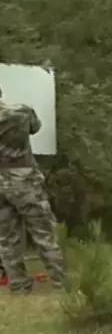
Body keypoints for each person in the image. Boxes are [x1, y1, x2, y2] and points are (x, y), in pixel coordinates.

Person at [0, 82, 66, 293]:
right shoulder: (21, 112)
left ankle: (19, 285)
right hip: (24, 179)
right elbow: (35, 128)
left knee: (7, 237)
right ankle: (60, 282)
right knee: (43, 232)